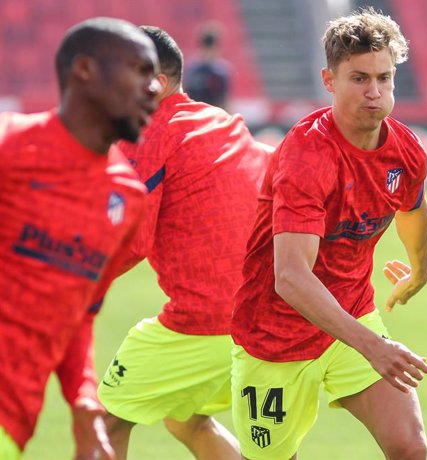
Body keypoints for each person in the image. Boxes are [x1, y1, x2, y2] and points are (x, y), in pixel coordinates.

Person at [230, 8, 427, 459]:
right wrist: (374, 348)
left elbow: (414, 208)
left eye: (384, 77)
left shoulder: (406, 149)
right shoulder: (308, 157)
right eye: (359, 78)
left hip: (353, 315)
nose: (374, 92)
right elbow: (291, 278)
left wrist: (421, 270)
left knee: (410, 450)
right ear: (329, 80)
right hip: (274, 337)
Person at [96, 25, 271, 460]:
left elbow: (130, 242)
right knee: (186, 418)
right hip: (266, 315)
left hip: (206, 321)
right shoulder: (220, 121)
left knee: (106, 423)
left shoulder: (147, 133)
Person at [0, 17, 160, 460]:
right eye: (139, 70)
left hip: (15, 421)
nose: (154, 87)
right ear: (85, 70)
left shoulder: (126, 198)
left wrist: (84, 398)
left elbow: (79, 313)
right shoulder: (10, 147)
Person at [185, 22, 233, 109]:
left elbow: (224, 99)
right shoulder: (192, 69)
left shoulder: (221, 70)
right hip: (202, 114)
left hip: (205, 114)